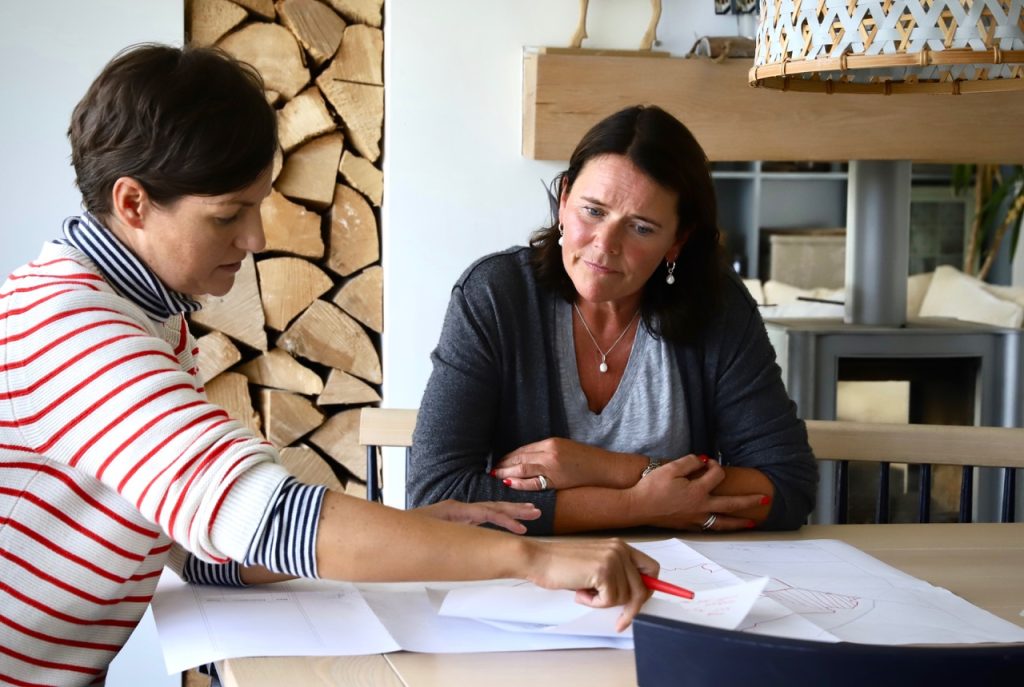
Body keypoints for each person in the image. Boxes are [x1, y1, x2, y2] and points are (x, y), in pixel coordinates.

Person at [0, 45, 658, 686]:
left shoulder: (143, 313)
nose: (256, 238)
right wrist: (531, 558)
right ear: (133, 203)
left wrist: (415, 532)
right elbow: (264, 518)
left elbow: (204, 549)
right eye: (229, 215)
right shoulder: (73, 328)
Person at [408, 105, 818, 536]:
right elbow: (438, 496)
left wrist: (601, 467)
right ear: (565, 199)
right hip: (529, 570)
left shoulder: (718, 306)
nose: (605, 245)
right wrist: (638, 505)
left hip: (683, 571)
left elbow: (786, 485)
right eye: (593, 211)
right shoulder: (495, 295)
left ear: (677, 240)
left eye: (641, 228)